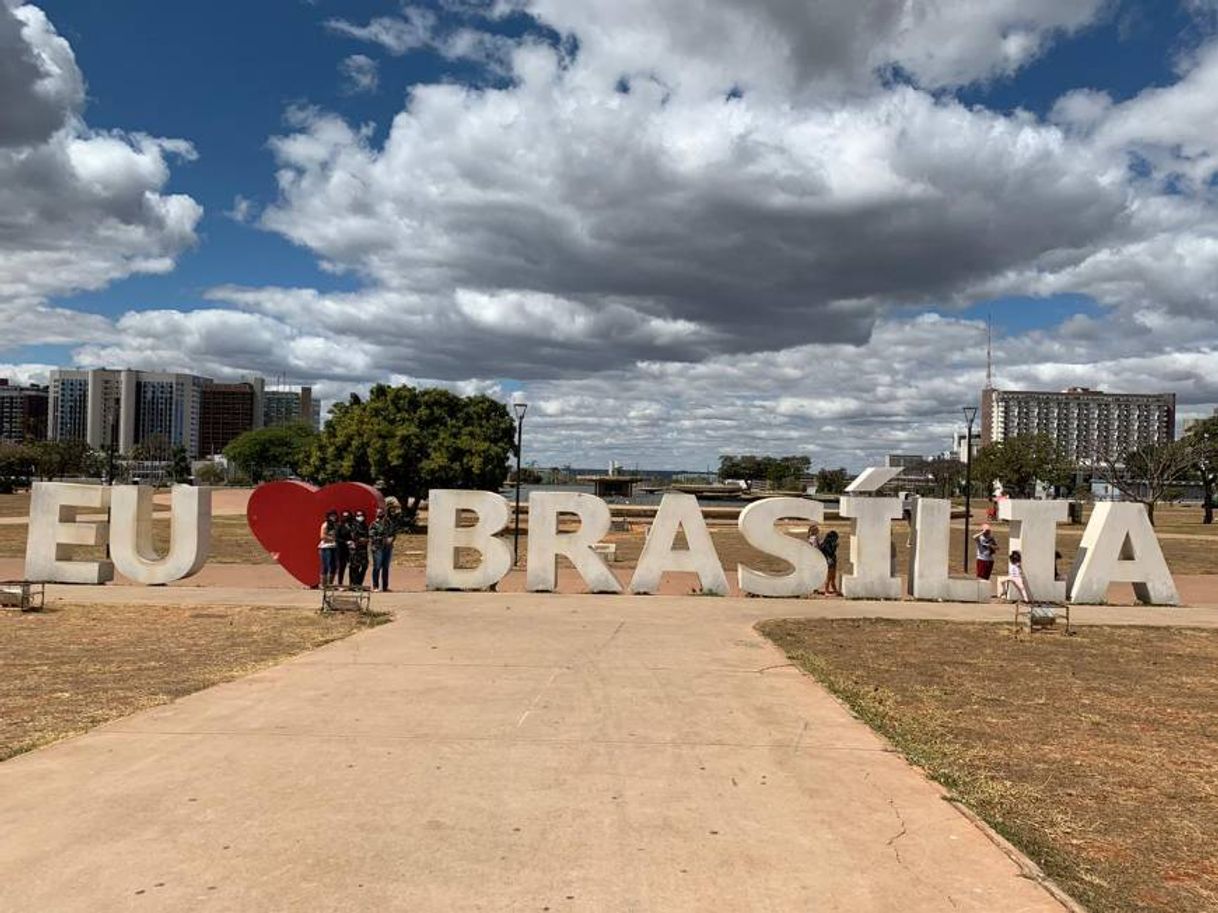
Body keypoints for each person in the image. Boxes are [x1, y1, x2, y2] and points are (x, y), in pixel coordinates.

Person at [370, 498, 402, 592]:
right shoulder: (374, 524)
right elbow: (372, 536)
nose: (380, 514)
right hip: (377, 547)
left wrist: (392, 539)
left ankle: (385, 587)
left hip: (388, 547)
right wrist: (383, 539)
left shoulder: (389, 522)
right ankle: (375, 586)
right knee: (377, 566)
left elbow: (394, 532)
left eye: (382, 512)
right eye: (379, 512)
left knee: (386, 567)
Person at [348, 509, 371, 587]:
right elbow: (353, 536)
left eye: (361, 515)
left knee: (364, 566)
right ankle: (353, 584)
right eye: (358, 515)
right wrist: (361, 540)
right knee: (355, 567)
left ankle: (359, 583)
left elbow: (368, 536)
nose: (360, 517)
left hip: (363, 549)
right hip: (355, 549)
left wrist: (366, 540)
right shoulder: (353, 525)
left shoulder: (365, 526)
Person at [317, 509, 339, 588]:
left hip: (335, 547)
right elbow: (322, 536)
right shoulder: (325, 525)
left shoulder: (337, 525)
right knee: (326, 565)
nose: (333, 517)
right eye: (331, 516)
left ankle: (330, 584)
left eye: (334, 515)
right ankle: (324, 584)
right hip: (326, 547)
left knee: (333, 566)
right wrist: (332, 539)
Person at [334, 510, 353, 585]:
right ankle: (340, 584)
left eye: (347, 516)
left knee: (352, 566)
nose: (346, 518)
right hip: (341, 549)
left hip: (351, 549)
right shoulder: (339, 526)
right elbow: (337, 538)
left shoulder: (353, 525)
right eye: (344, 516)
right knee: (342, 567)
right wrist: (345, 542)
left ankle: (352, 584)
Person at [819, 529, 840, 596]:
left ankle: (834, 590)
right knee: (829, 577)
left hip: (832, 560)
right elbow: (830, 552)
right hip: (829, 561)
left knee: (833, 577)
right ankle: (826, 590)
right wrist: (835, 546)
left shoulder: (828, 543)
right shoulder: (826, 543)